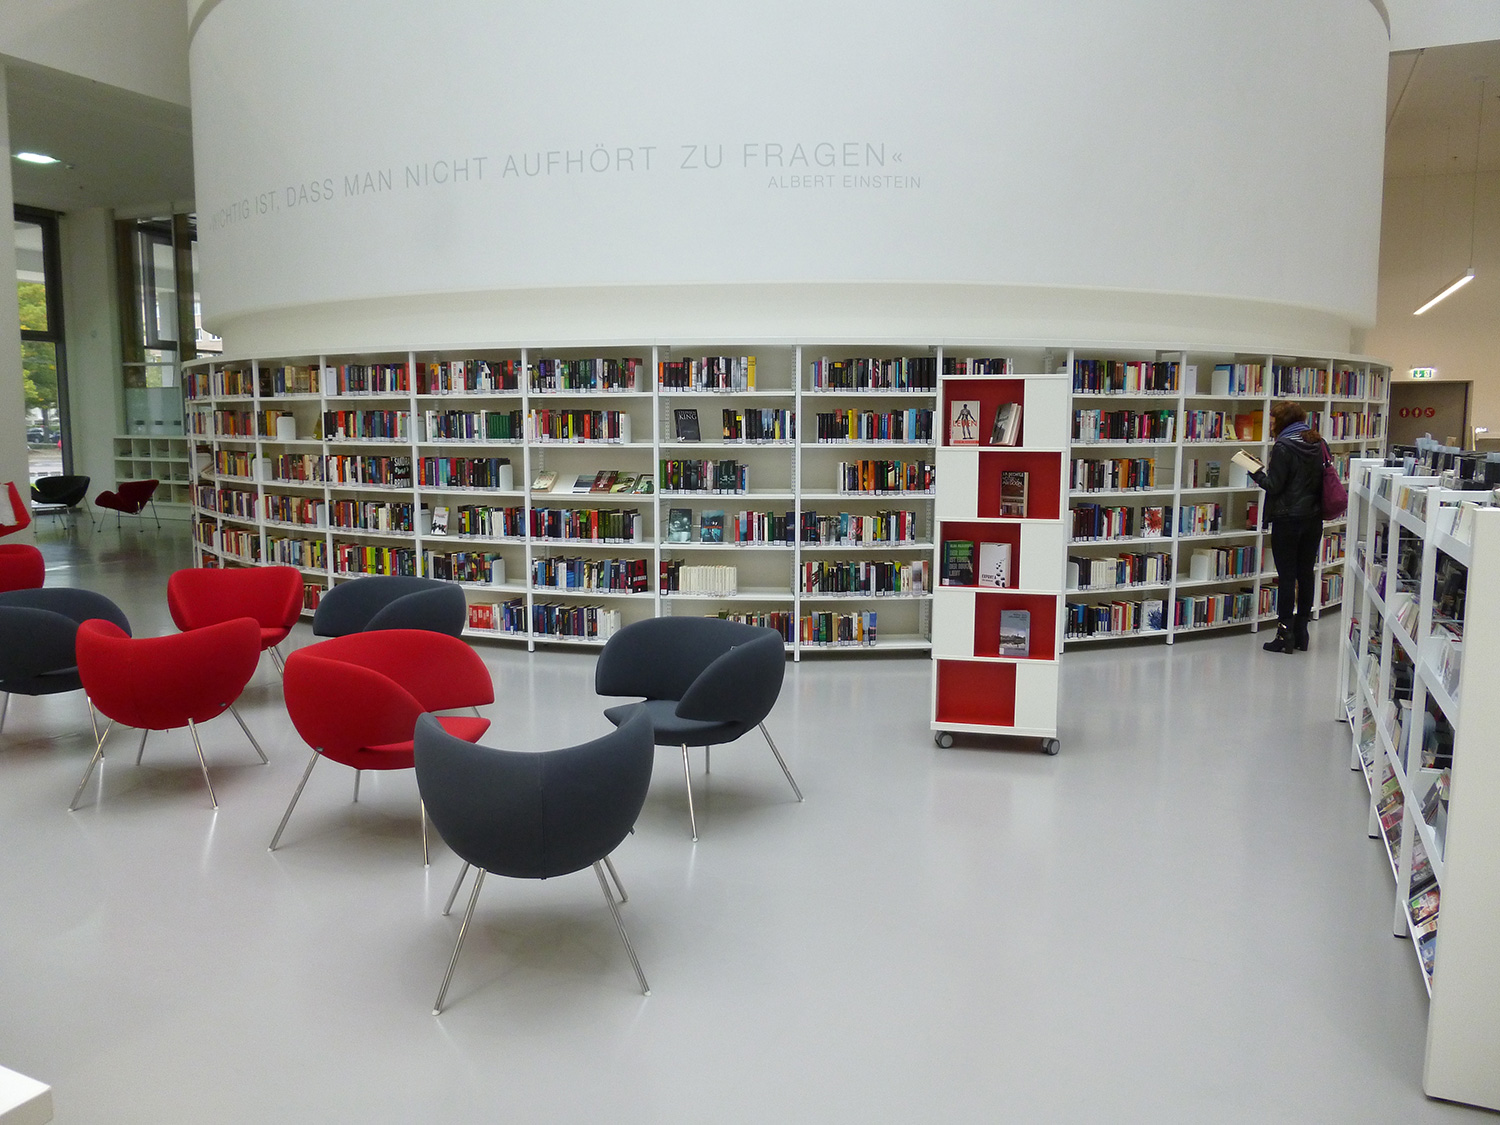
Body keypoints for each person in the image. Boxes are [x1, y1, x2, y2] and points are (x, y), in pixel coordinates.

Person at [1250, 401, 1325, 653]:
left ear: (1282, 422)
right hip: (1313, 518)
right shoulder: (1318, 442)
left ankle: (1284, 634)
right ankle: (1302, 631)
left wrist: (1255, 472)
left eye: (1273, 422)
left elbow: (1274, 485)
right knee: (1306, 574)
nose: (1271, 426)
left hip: (1287, 519)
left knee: (1286, 577)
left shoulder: (1283, 446)